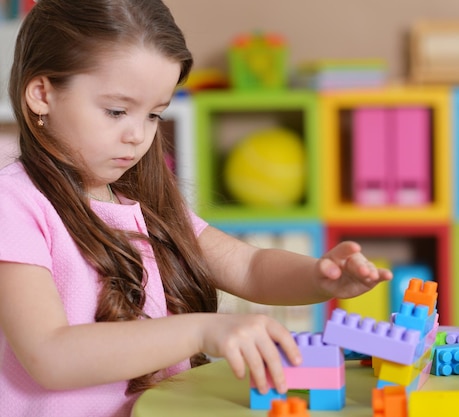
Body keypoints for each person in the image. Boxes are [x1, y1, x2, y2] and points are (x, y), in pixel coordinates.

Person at [0, 0, 393, 416]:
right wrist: (202, 330)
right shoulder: (15, 204)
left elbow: (249, 267)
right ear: (42, 94)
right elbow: (49, 355)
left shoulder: (142, 205)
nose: (137, 135)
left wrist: (319, 277)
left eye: (154, 115)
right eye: (116, 111)